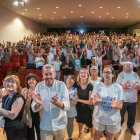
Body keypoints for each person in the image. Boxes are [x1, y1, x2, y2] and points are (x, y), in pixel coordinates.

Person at [30, 64, 70, 140]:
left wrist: (57, 103)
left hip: (60, 125)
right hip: (45, 126)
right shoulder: (39, 86)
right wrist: (39, 104)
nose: (48, 76)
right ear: (42, 75)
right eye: (46, 74)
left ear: (54, 74)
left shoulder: (61, 85)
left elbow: (67, 106)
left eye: (50, 74)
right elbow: (33, 108)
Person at [91, 65, 124, 140]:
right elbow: (93, 103)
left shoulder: (118, 87)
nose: (106, 74)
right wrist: (97, 102)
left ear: (113, 74)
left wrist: (116, 106)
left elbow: (121, 105)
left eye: (108, 72)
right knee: (97, 134)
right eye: (104, 72)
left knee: (110, 136)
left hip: (112, 119)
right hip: (99, 118)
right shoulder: (98, 85)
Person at [116, 61, 140, 135]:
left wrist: (137, 87)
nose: (128, 65)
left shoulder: (135, 75)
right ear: (124, 66)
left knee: (132, 115)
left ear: (132, 66)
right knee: (121, 115)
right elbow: (116, 87)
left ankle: (130, 126)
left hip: (133, 100)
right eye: (126, 64)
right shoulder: (120, 75)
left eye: (130, 64)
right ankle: (118, 126)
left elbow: (139, 86)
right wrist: (123, 86)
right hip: (123, 100)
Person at [0, 75, 26, 140]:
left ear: (17, 85)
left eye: (13, 82)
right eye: (8, 81)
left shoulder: (19, 97)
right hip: (8, 128)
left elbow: (12, 115)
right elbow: (2, 113)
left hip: (17, 129)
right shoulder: (5, 97)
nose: (9, 83)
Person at [74, 68, 94, 140]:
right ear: (79, 75)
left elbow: (90, 102)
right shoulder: (76, 84)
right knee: (79, 122)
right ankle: (80, 134)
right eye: (81, 73)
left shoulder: (90, 85)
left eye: (84, 73)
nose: (83, 74)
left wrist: (78, 99)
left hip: (88, 109)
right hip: (79, 108)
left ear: (87, 76)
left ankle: (92, 137)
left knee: (90, 125)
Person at [22, 74, 40, 140]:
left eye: (33, 79)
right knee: (30, 134)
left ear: (36, 81)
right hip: (28, 114)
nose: (31, 81)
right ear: (27, 82)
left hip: (38, 114)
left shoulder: (39, 90)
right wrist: (27, 98)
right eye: (29, 79)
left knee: (39, 132)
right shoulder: (23, 90)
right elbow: (22, 105)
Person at [66, 75, 77, 140]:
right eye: (68, 78)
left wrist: (68, 100)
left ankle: (70, 137)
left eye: (71, 78)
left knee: (70, 124)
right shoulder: (63, 88)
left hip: (71, 112)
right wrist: (70, 100)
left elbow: (75, 102)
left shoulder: (75, 90)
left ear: (73, 82)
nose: (69, 79)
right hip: (62, 111)